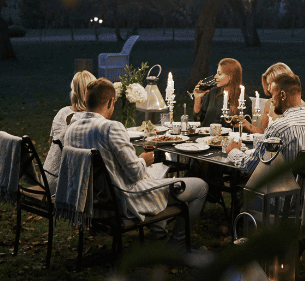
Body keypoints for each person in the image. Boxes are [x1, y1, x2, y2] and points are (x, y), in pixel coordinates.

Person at [64, 79, 208, 249]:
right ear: (111, 102)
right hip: (123, 200)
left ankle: (159, 236)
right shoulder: (110, 128)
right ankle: (178, 244)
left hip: (90, 202)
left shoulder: (72, 128)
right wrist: (143, 160)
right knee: (200, 187)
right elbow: (135, 174)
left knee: (158, 171)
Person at [225, 73, 305, 175]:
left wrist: (233, 151)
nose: (272, 101)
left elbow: (252, 166)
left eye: (272, 94)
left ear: (282, 95)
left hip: (282, 192)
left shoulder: (279, 128)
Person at [43, 70, 96, 192]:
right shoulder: (87, 119)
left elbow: (51, 143)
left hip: (47, 178)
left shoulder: (62, 112)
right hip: (63, 184)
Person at [240, 62, 305, 134]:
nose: (269, 89)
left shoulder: (300, 106)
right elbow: (263, 133)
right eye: (267, 84)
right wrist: (245, 124)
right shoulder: (269, 104)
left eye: (271, 84)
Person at [193, 58, 243, 126]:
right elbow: (198, 119)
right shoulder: (213, 92)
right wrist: (197, 98)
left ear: (231, 76)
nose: (215, 76)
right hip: (206, 135)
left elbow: (244, 129)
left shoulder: (243, 100)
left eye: (219, 74)